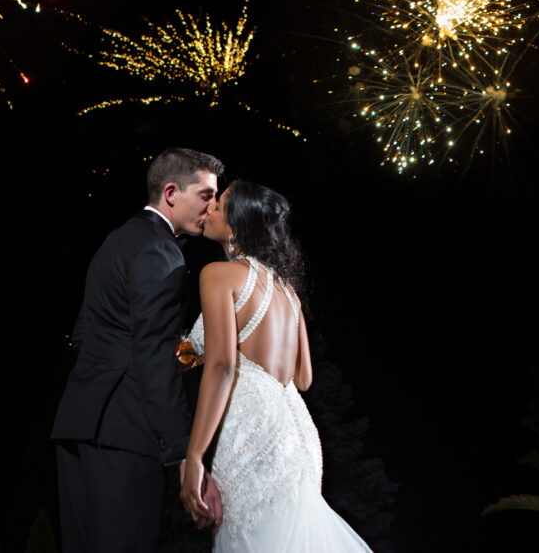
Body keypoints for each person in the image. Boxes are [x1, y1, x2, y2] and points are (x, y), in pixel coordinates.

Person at [179, 180, 373, 552]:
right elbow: (303, 377)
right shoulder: (288, 291)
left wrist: (194, 455)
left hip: (251, 430)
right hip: (295, 433)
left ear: (236, 225)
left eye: (218, 206)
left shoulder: (218, 275)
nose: (209, 211)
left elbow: (222, 367)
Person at [52, 147, 226, 553]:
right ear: (171, 192)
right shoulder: (161, 251)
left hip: (79, 426)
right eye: (205, 196)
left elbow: (83, 331)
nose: (212, 207)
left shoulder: (118, 239)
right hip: (124, 433)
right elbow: (152, 352)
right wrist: (184, 452)